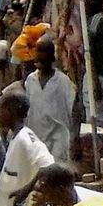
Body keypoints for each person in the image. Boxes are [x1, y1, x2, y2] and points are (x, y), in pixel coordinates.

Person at [0, 88, 55, 206]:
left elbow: (48, 166)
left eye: (0, 110)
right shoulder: (13, 138)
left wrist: (26, 190)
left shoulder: (25, 139)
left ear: (10, 111)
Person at [26, 33, 78, 168]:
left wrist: (75, 139)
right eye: (37, 51)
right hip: (37, 135)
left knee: (56, 171)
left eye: (43, 52)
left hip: (58, 137)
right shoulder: (30, 80)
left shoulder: (62, 81)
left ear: (51, 56)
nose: (38, 56)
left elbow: (74, 110)